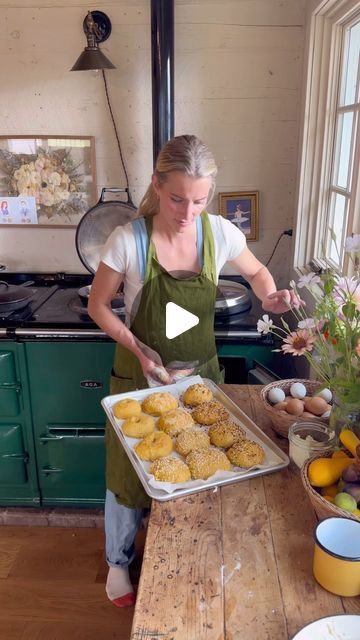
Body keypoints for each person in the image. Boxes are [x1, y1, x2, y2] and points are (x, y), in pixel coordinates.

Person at [88, 134, 300, 609]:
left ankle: (192, 555)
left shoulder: (219, 232)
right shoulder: (129, 239)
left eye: (199, 200)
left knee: (203, 468)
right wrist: (137, 348)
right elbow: (99, 306)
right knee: (125, 477)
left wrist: (271, 295)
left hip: (200, 376)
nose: (187, 213)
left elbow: (258, 276)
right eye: (177, 198)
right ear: (157, 186)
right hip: (139, 374)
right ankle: (119, 560)